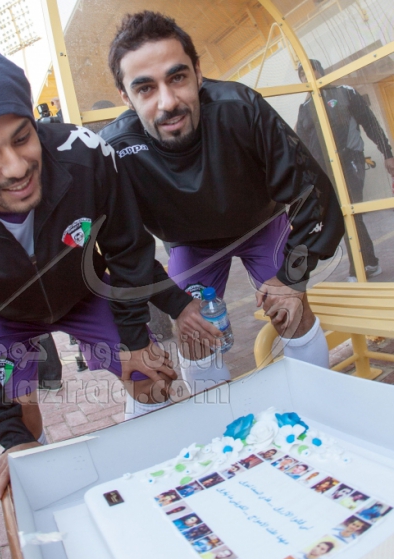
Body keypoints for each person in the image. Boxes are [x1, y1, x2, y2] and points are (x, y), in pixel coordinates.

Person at [0, 49, 198, 499]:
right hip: (3, 314)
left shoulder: (85, 152)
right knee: (21, 422)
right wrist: (12, 437)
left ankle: (149, 480)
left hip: (84, 293)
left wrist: (136, 340)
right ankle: (48, 491)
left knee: (154, 379)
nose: (16, 167)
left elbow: (126, 251)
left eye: (22, 137)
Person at [101, 11, 345, 391]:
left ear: (198, 73)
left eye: (177, 78)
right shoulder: (116, 149)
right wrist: (176, 307)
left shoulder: (241, 108)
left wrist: (292, 278)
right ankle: (221, 421)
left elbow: (313, 195)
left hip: (261, 225)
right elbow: (124, 250)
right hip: (190, 244)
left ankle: (319, 403)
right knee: (195, 334)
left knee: (291, 310)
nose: (168, 102)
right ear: (126, 98)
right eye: (145, 88)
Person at [296, 59, 394, 281]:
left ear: (320, 71)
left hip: (350, 160)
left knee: (348, 211)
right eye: (302, 75)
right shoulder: (305, 108)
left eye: (310, 71)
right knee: (342, 215)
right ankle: (369, 262)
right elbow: (302, 146)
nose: (306, 77)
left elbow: (370, 124)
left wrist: (387, 153)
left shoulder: (344, 92)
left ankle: (362, 265)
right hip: (324, 171)